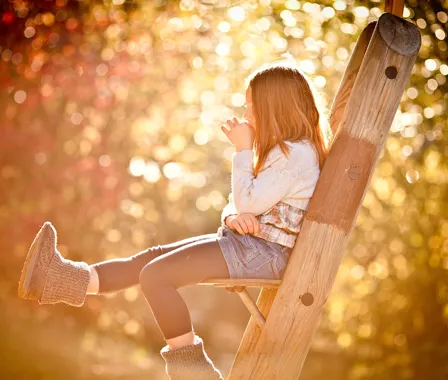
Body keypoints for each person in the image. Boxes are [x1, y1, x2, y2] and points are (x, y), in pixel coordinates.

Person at [17, 61, 330, 380]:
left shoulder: (297, 155)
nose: (247, 115)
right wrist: (234, 216)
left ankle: (194, 375)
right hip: (248, 244)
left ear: (274, 106)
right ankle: (59, 279)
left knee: (155, 276)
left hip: (265, 253)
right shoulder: (283, 151)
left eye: (251, 107)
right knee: (150, 260)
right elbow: (240, 202)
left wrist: (242, 151)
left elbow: (248, 198)